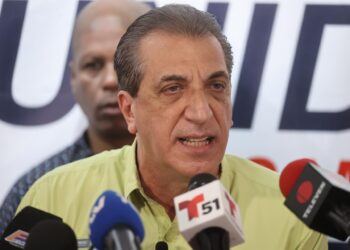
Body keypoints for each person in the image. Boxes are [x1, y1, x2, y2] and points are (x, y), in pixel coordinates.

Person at [16, 4, 328, 249]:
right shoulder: (52, 197)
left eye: (216, 86)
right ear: (129, 110)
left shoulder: (291, 214)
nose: (202, 112)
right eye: (173, 89)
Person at [0, 0, 149, 236]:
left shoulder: (195, 180)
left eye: (123, 65)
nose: (110, 80)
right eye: (93, 65)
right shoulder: (35, 190)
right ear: (73, 78)